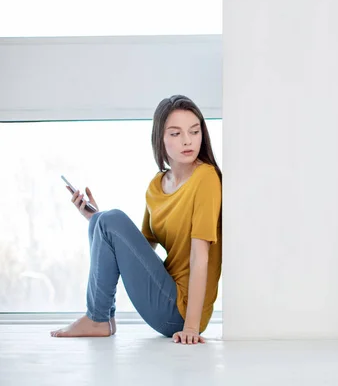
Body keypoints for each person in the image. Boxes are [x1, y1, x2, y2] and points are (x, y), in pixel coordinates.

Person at [51, 95, 222, 345]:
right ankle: (104, 318)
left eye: (194, 131)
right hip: (164, 295)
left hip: (182, 313)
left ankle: (97, 318)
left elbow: (200, 255)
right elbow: (140, 250)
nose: (188, 140)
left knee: (111, 219)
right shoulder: (156, 185)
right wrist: (95, 219)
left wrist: (192, 327)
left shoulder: (206, 178)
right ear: (160, 140)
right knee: (103, 221)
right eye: (175, 133)